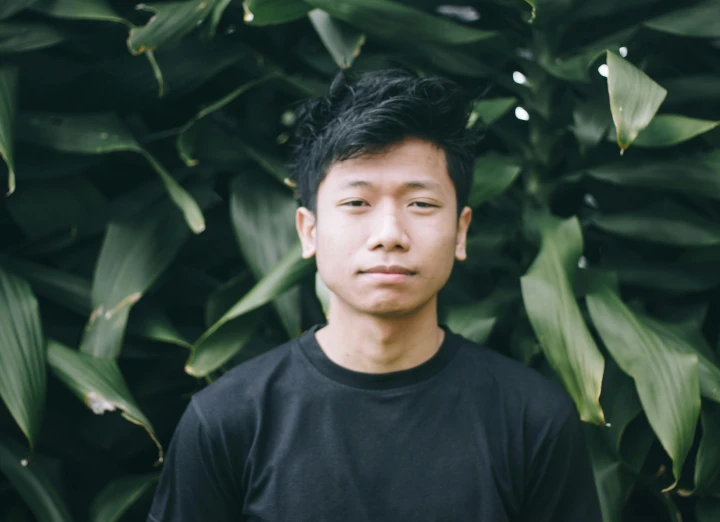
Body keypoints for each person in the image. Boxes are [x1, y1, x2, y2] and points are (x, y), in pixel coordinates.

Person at [146, 69, 602, 522]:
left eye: (420, 204)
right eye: (357, 203)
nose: (389, 235)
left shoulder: (532, 419)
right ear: (309, 231)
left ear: (460, 232)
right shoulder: (228, 421)